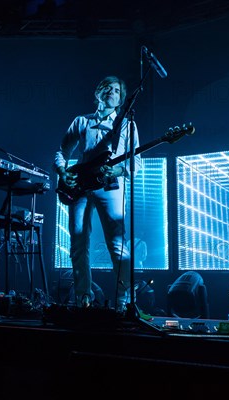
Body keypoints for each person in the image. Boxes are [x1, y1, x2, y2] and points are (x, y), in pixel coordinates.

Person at [54, 75, 141, 312]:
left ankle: (123, 302)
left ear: (121, 99)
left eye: (116, 90)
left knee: (118, 244)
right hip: (80, 187)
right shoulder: (81, 121)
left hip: (110, 186)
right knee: (78, 242)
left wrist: (118, 168)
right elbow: (61, 152)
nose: (111, 92)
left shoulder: (126, 125)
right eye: (107, 88)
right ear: (98, 93)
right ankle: (83, 298)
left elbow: (137, 163)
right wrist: (63, 172)